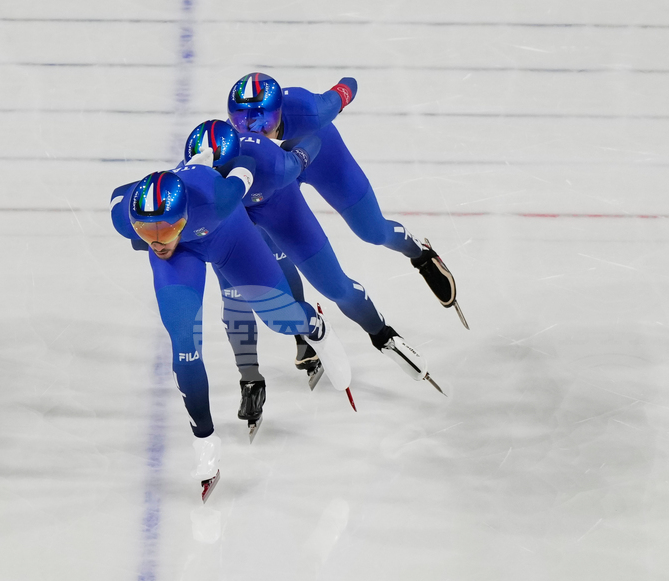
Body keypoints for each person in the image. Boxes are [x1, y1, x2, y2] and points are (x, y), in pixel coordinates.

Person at [109, 160, 352, 502]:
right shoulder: (127, 219)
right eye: (147, 233)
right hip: (185, 254)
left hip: (226, 233)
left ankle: (315, 327)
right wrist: (160, 233)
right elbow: (118, 199)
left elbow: (247, 167)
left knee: (280, 319)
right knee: (184, 345)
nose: (157, 242)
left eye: (165, 230)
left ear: (183, 217)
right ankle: (205, 442)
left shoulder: (215, 198)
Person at [184, 120, 444, 436]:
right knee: (235, 297)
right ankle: (251, 377)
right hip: (234, 225)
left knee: (334, 285)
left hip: (277, 204)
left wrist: (300, 150)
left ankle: (383, 335)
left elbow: (312, 142)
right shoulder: (189, 185)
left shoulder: (270, 162)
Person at [226, 72, 467, 329]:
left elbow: (349, 84)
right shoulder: (231, 143)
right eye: (242, 121)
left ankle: (420, 253)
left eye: (265, 120)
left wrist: (340, 94)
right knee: (267, 236)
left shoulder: (310, 110)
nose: (254, 130)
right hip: (280, 176)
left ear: (281, 112)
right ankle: (303, 333)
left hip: (322, 156)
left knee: (373, 232)